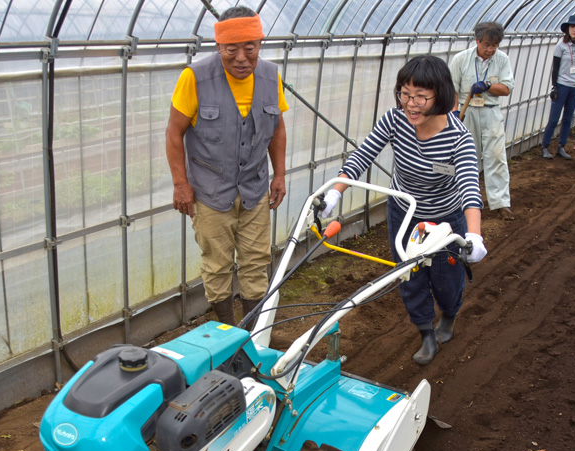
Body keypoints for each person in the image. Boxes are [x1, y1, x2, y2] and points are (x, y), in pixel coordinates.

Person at [318, 56, 488, 365]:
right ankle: (425, 332)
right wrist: (333, 193)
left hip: (446, 221)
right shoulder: (394, 120)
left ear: (441, 94)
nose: (411, 104)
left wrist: (474, 236)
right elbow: (362, 156)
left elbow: (469, 189)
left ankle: (449, 314)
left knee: (447, 280)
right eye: (405, 94)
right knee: (408, 274)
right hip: (405, 213)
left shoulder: (458, 139)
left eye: (421, 96)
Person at [165, 6, 288, 325]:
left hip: (255, 188)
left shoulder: (270, 75)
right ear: (219, 46)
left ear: (260, 43)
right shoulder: (194, 77)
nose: (242, 57)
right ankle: (227, 331)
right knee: (217, 264)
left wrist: (280, 174)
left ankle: (251, 334)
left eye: (250, 47)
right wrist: (181, 184)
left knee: (256, 261)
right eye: (231, 49)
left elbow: (277, 128)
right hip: (210, 192)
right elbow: (174, 132)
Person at [449, 21, 516, 219]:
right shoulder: (461, 59)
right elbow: (452, 88)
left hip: (491, 112)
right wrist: (454, 113)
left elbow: (506, 88)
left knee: (496, 157)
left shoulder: (502, 60)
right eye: (486, 45)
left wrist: (488, 85)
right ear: (477, 40)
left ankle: (500, 203)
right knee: (466, 158)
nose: (490, 49)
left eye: (494, 45)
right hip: (466, 111)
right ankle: (464, 201)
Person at [541, 14, 575, 159]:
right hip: (562, 85)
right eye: (572, 27)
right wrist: (554, 87)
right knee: (554, 118)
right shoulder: (560, 46)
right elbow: (555, 68)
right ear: (568, 29)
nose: (574, 30)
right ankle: (545, 146)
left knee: (568, 118)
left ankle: (561, 147)